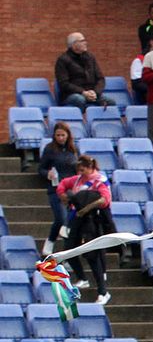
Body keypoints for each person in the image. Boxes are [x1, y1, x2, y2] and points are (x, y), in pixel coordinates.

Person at [56, 154, 114, 305]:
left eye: (83, 170)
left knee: (92, 255)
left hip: (92, 222)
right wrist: (62, 195)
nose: (80, 173)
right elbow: (62, 184)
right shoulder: (77, 180)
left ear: (90, 168)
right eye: (79, 170)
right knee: (69, 249)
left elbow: (104, 200)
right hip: (77, 220)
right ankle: (82, 278)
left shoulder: (99, 181)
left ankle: (103, 292)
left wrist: (86, 207)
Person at [38, 122, 79, 251]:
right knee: (60, 218)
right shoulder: (50, 149)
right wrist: (47, 173)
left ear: (68, 135)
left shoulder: (73, 149)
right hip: (56, 189)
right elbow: (41, 169)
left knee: (69, 223)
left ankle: (68, 252)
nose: (60, 138)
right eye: (58, 135)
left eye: (63, 135)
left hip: (70, 191)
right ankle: (50, 241)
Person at [54, 32, 108, 108]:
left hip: (92, 93)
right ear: (74, 45)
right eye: (82, 41)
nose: (85, 43)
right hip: (71, 94)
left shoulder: (90, 57)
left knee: (109, 101)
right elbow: (64, 84)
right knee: (80, 99)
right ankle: (82, 119)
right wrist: (83, 92)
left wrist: (95, 92)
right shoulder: (63, 60)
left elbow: (100, 78)